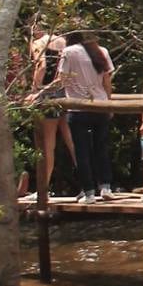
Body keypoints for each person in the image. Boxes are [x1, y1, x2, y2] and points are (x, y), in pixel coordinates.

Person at [57, 29, 117, 203]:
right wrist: (109, 104)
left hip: (78, 108)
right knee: (101, 148)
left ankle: (89, 192)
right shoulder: (102, 51)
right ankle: (106, 186)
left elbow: (63, 79)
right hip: (100, 105)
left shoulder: (68, 52)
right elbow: (107, 81)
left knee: (82, 151)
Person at [25, 20, 75, 198]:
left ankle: (42, 189)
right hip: (64, 91)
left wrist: (35, 91)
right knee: (71, 139)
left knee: (47, 143)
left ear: (35, 29)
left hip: (48, 94)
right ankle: (90, 184)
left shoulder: (39, 43)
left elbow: (43, 66)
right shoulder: (62, 41)